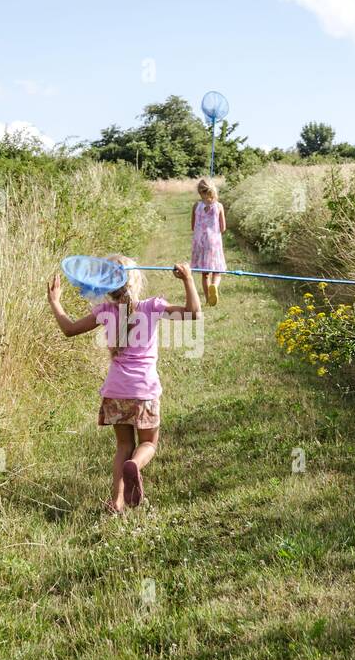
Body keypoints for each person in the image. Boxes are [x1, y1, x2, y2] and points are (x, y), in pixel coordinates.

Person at [47, 256, 201, 513]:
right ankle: (136, 466)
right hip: (144, 391)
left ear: (105, 285)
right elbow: (193, 314)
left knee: (123, 447)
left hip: (116, 390)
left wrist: (55, 302)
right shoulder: (152, 307)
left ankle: (116, 502)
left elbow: (69, 329)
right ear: (136, 280)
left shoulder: (105, 312)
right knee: (148, 444)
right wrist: (188, 279)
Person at [190, 178, 227, 306]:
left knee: (205, 274)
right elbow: (223, 228)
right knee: (217, 271)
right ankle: (214, 286)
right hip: (214, 242)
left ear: (200, 192)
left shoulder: (196, 206)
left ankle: (208, 300)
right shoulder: (219, 206)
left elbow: (193, 226)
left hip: (199, 242)